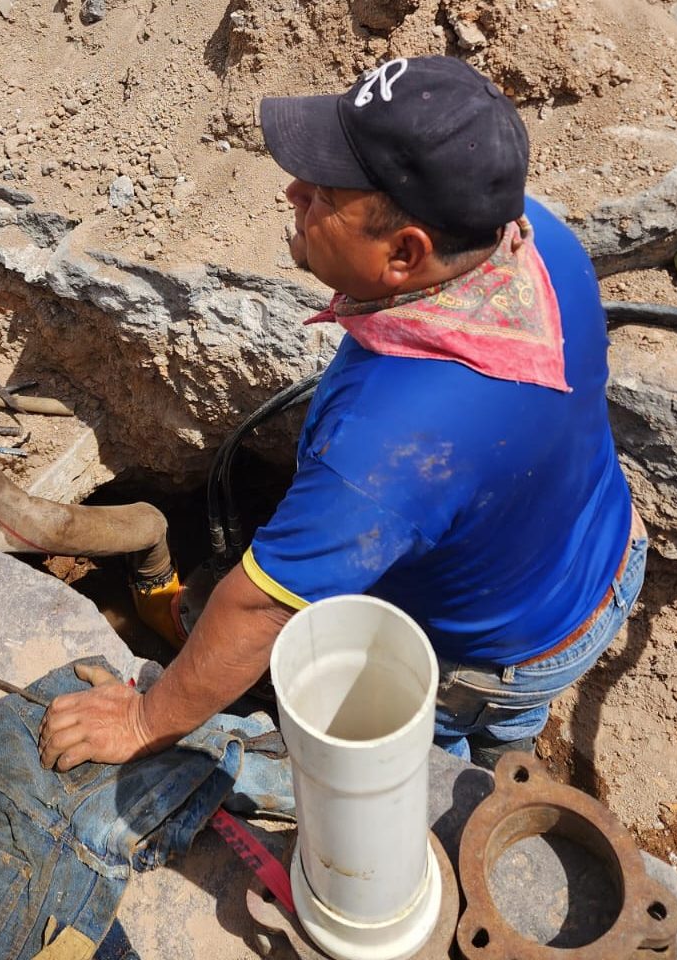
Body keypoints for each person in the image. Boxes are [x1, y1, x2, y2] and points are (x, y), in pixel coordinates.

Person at [40, 56, 645, 772]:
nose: (292, 191)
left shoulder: (386, 447)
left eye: (326, 192)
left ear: (405, 252)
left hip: (486, 659)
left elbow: (259, 609)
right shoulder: (531, 240)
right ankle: (506, 742)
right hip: (598, 553)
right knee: (509, 716)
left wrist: (144, 719)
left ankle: (472, 767)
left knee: (433, 764)